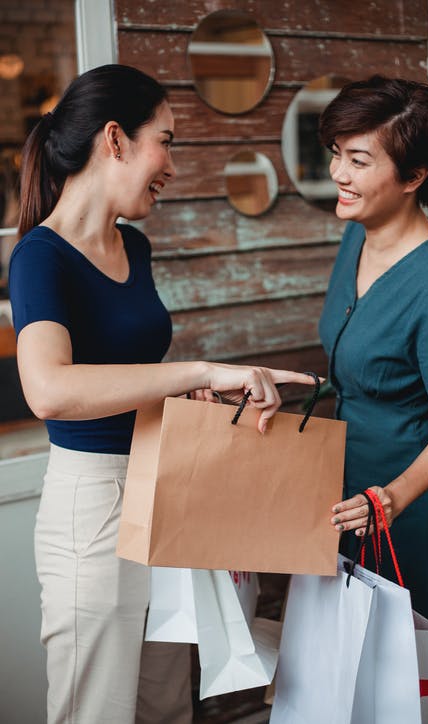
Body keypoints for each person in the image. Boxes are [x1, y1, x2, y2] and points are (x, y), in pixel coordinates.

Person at [8, 63, 316, 724]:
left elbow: (131, 378)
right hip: (93, 506)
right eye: (167, 140)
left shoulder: (136, 247)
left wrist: (202, 403)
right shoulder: (41, 256)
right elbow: (50, 390)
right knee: (97, 709)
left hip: (163, 485)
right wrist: (201, 373)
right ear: (115, 139)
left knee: (168, 699)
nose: (173, 164)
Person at [318, 75, 428, 723]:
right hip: (355, 500)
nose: (338, 171)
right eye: (336, 151)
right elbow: (364, 367)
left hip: (416, 511)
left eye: (359, 160)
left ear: (414, 175)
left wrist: (391, 498)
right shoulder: (356, 236)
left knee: (424, 691)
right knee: (364, 690)